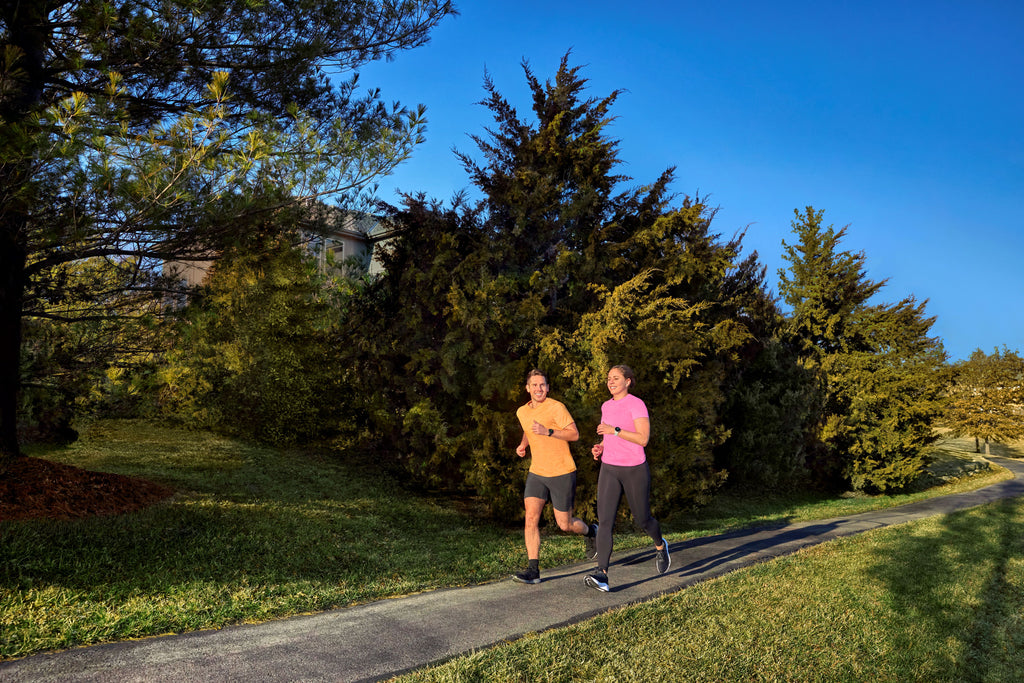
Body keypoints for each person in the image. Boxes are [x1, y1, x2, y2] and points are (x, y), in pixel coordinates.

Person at [585, 364, 670, 592]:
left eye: (615, 378)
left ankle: (660, 545)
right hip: (609, 468)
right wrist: (601, 447)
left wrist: (614, 431)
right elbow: (609, 436)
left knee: (643, 519)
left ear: (628, 381)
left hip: (634, 469)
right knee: (604, 522)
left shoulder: (636, 404)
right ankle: (602, 574)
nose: (610, 382)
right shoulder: (606, 405)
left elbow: (643, 439)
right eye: (608, 378)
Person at [512, 369, 598, 584]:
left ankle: (591, 532)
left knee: (564, 524)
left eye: (542, 385)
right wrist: (523, 444)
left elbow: (574, 434)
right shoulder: (522, 411)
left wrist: (548, 431)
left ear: (548, 388)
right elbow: (528, 430)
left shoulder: (557, 407)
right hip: (537, 472)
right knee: (531, 519)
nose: (538, 389)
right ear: (527, 388)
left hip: (561, 472)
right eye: (534, 385)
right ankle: (533, 570)